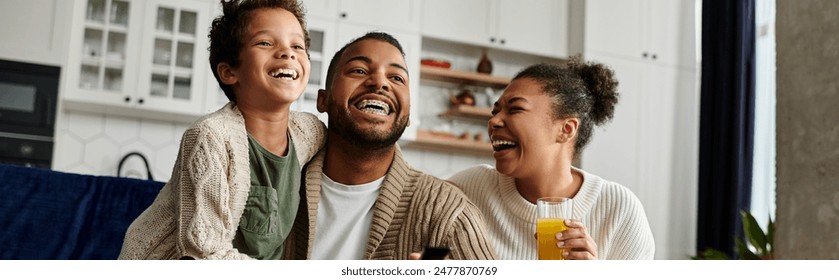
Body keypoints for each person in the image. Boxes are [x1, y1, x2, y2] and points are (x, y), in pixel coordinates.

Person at [119, 0, 325, 260]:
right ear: (229, 72)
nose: (287, 53)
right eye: (265, 43)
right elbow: (204, 253)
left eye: (297, 45)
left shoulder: (310, 132)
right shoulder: (210, 136)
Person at [283, 32, 496, 260]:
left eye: (396, 78)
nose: (380, 83)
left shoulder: (448, 214)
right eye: (359, 71)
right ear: (322, 100)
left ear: (408, 112)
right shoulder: (279, 184)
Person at [448, 58, 655, 260]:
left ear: (566, 129)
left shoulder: (619, 209)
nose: (494, 120)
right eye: (495, 111)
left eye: (515, 109)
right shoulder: (469, 189)